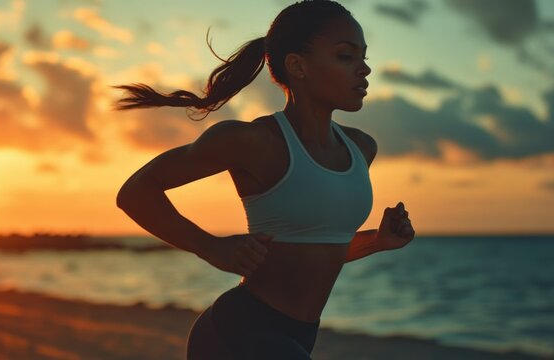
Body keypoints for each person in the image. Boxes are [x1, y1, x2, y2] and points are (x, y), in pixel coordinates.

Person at [114, 1, 416, 358]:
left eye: (363, 57)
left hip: (302, 335)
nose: (364, 69)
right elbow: (135, 193)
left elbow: (315, 250)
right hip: (238, 332)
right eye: (346, 56)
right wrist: (210, 247)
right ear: (297, 65)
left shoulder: (361, 148)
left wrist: (377, 241)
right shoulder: (252, 142)